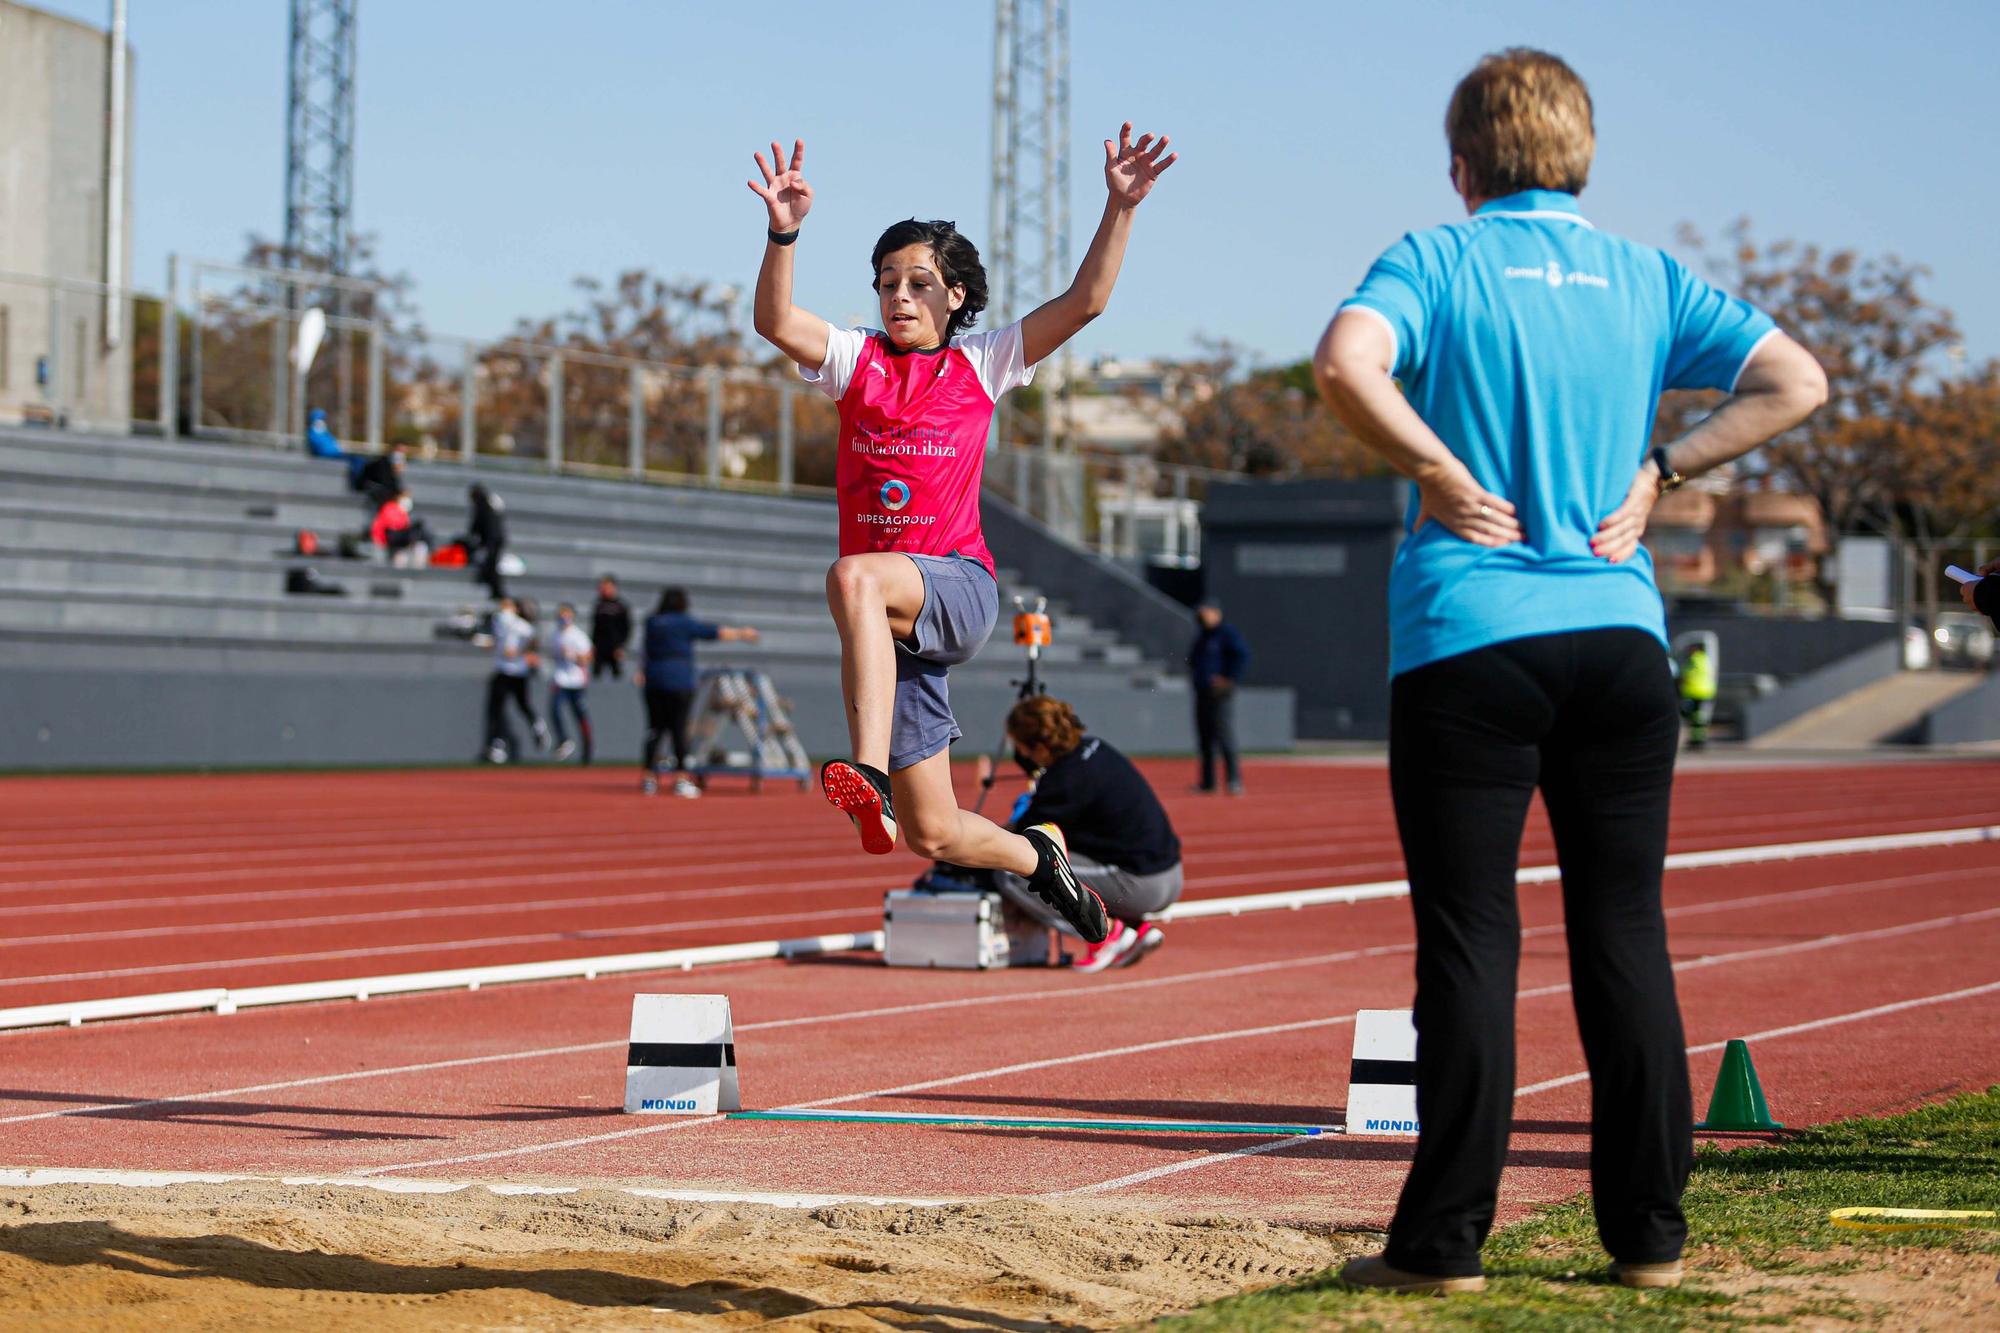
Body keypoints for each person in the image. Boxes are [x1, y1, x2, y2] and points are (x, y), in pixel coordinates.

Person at [1312, 49, 1826, 1294]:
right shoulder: (1643, 275)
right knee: (1623, 930)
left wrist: (1434, 469)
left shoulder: (1436, 258)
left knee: (1472, 937)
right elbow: (1794, 379)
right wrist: (1665, 472)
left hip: (1467, 637)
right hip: (1618, 638)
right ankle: (1646, 1238)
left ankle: (1441, 1247)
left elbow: (1342, 363)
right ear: (1579, 154)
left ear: (1460, 163)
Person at [745, 126, 1176, 945]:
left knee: (852, 578)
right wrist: (783, 232)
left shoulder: (982, 363)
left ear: (955, 296)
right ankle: (1038, 859)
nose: (897, 297)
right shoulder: (855, 361)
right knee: (933, 834)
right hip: (894, 633)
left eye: (916, 283)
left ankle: (864, 769)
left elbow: (1084, 303)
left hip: (957, 586)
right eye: (884, 284)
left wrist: (1119, 206)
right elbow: (773, 319)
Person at [982, 696, 1182, 973]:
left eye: (1020, 748)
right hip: (1169, 873)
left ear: (1038, 747)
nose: (1021, 757)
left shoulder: (1064, 779)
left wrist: (977, 843)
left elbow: (1023, 838)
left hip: (1143, 882)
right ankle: (1135, 929)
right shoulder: (1095, 748)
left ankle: (1107, 934)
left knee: (1014, 869)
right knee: (1060, 858)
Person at [636, 587, 760, 796]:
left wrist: (642, 671)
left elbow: (644, 650)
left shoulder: (652, 622)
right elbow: (714, 632)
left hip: (654, 680)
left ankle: (649, 778)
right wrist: (742, 633)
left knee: (654, 730)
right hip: (679, 681)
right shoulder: (684, 622)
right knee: (678, 730)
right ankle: (681, 779)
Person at [1188, 601, 1249, 795]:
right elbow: (1193, 660)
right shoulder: (1203, 637)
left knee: (1224, 736)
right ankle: (1208, 783)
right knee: (1205, 738)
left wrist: (1229, 679)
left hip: (1220, 694)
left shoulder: (1226, 634)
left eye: (1206, 612)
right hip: (1203, 692)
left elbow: (1242, 656)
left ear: (1216, 613)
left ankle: (1233, 781)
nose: (1202, 616)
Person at [483, 595, 550, 763]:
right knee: (497, 709)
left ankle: (536, 725)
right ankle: (497, 744)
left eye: (508, 604)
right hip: (504, 670)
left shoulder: (519, 625)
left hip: (517, 671)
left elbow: (530, 642)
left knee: (521, 704)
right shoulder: (502, 622)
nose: (504, 607)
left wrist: (524, 652)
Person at [545, 603, 595, 763]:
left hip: (576, 681)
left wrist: (573, 655)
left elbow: (588, 658)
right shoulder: (555, 635)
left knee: (580, 714)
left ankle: (588, 748)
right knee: (554, 709)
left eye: (566, 614)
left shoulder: (578, 635)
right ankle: (564, 740)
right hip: (560, 679)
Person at [463, 484, 509, 600]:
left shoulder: (482, 505)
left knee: (492, 565)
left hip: (492, 540)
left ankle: (497, 591)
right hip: (497, 539)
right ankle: (494, 590)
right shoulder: (492, 502)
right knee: (492, 565)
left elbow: (477, 525)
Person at [369, 489, 434, 566]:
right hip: (390, 538)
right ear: (398, 497)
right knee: (417, 531)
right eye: (405, 497)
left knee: (421, 540)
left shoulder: (404, 512)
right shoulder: (390, 508)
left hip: (401, 539)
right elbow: (394, 527)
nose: (407, 500)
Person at [591, 575, 634, 679]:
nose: (604, 590)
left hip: (615, 647)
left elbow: (626, 628)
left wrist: (621, 646)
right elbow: (595, 628)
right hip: (600, 648)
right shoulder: (599, 606)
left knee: (617, 676)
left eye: (606, 587)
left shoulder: (621, 606)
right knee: (596, 675)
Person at [1678, 642, 1717, 749]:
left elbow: (1688, 674)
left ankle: (1697, 740)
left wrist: (1681, 680)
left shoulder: (1694, 660)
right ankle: (1698, 739)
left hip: (1696, 691)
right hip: (1704, 691)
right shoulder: (1704, 659)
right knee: (1698, 717)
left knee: (1695, 717)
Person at [349, 444, 406, 511]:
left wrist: (401, 492)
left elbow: (393, 483)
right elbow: (385, 482)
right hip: (366, 485)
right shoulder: (381, 464)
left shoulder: (391, 467)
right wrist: (398, 493)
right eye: (399, 451)